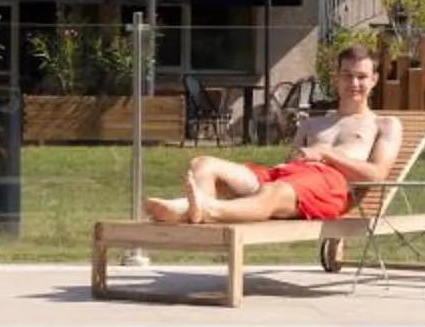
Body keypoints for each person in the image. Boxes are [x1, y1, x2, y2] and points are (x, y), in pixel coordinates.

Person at [142, 41, 401, 225]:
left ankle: (199, 208)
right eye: (346, 75)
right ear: (336, 77)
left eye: (361, 77)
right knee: (204, 164)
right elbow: (290, 165)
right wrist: (296, 158)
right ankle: (193, 209)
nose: (353, 83)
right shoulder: (312, 124)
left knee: (273, 192)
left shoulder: (384, 124)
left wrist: (326, 153)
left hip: (330, 187)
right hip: (287, 177)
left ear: (374, 80)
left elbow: (377, 175)